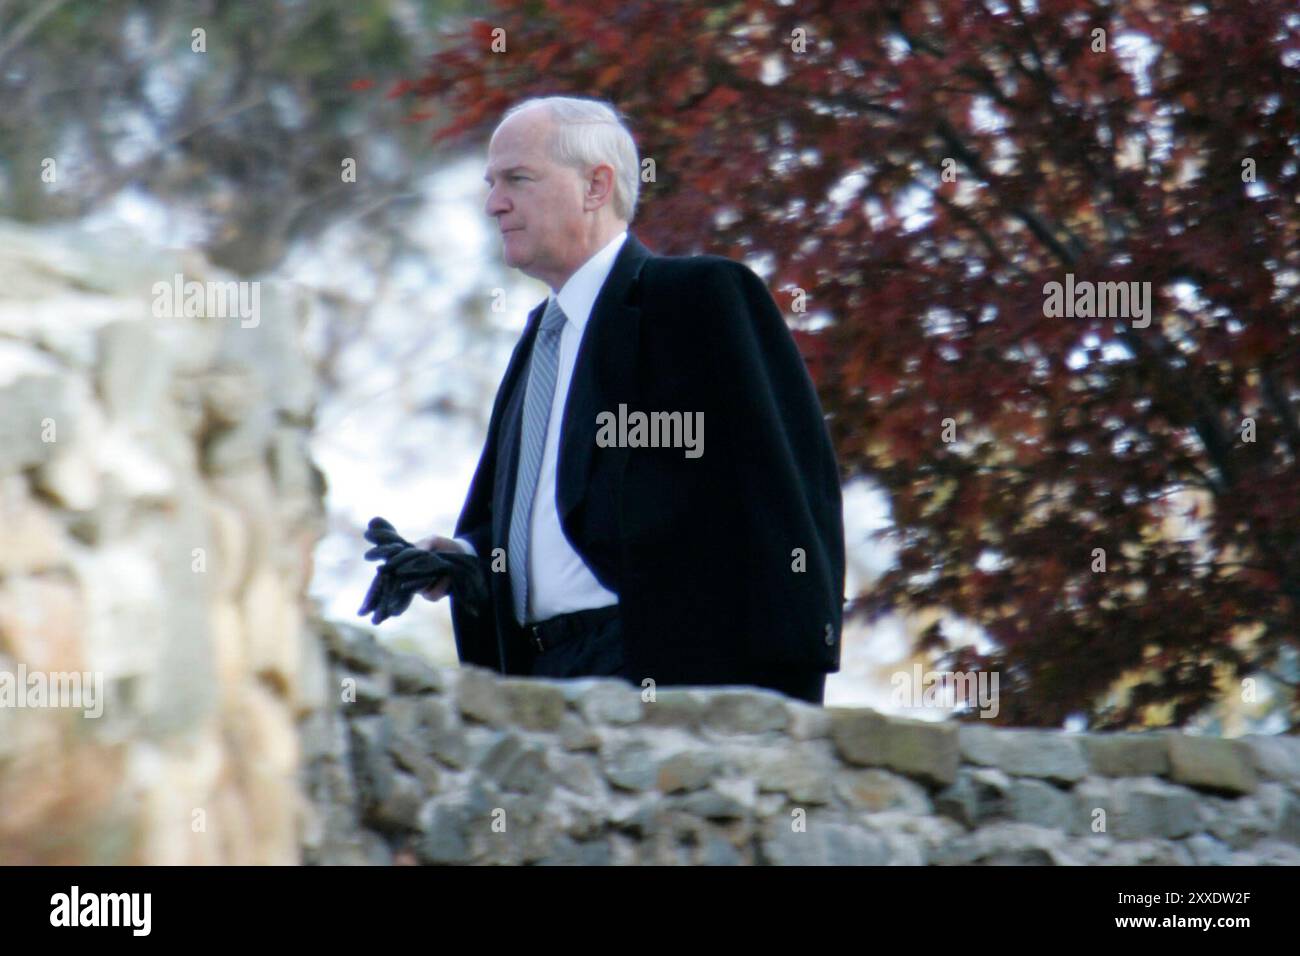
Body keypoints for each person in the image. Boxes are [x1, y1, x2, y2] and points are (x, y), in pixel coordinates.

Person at [417, 95, 844, 704]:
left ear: (596, 186)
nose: (494, 204)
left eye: (517, 179)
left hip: (669, 676)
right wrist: (460, 559)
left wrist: (784, 696)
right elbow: (543, 518)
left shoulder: (700, 298)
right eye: (491, 184)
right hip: (534, 684)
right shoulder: (538, 339)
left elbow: (782, 496)